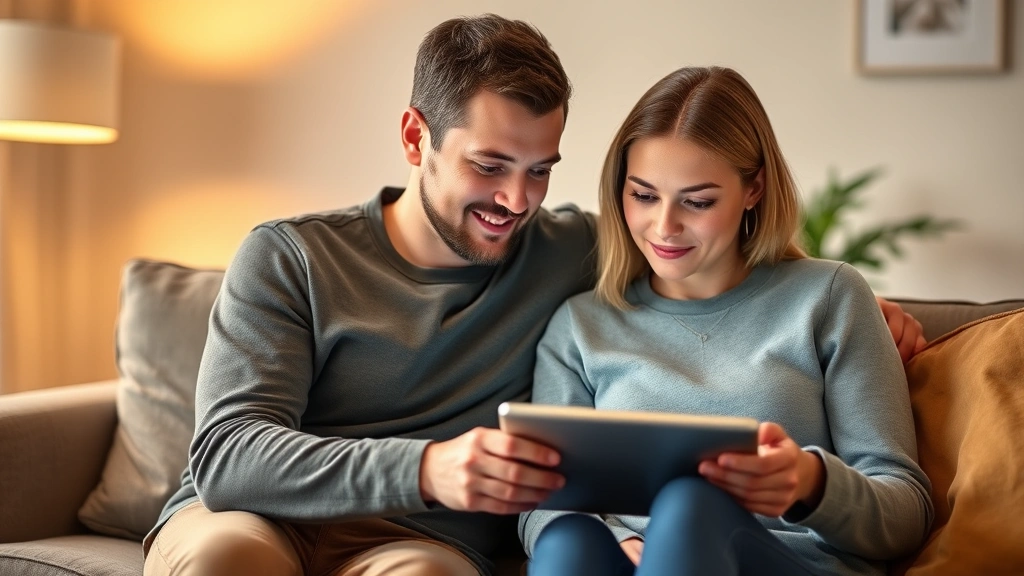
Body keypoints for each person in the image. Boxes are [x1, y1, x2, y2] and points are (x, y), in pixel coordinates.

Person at [142, 15, 926, 576]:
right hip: (253, 517)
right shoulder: (292, 256)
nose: (517, 202)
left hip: (415, 543)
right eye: (489, 166)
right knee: (226, 562)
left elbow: (728, 267)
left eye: (541, 169)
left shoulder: (566, 252)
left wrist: (863, 305)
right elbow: (228, 456)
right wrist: (429, 469)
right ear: (417, 138)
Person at [520, 66, 934, 576]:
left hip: (788, 562)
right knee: (569, 541)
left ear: (753, 188)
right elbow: (543, 498)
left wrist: (810, 482)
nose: (664, 226)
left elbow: (907, 510)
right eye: (643, 195)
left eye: (698, 201)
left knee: (689, 507)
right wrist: (619, 540)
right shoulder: (579, 328)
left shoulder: (828, 297)